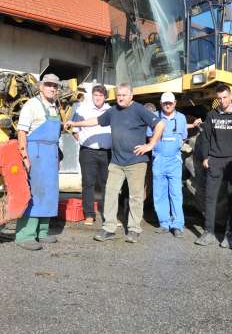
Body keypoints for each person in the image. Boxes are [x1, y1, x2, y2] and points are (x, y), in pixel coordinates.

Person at [66, 83, 165, 243]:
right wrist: (75, 124)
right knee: (110, 194)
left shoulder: (139, 109)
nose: (120, 97)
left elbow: (160, 124)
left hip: (136, 162)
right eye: (118, 95)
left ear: (131, 96)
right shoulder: (113, 111)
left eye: (124, 95)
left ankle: (134, 230)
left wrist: (150, 144)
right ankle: (109, 228)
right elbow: (95, 121)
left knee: (136, 197)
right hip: (117, 161)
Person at [196, 84, 232, 247]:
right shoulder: (212, 115)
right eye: (219, 98)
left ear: (231, 96)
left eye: (225, 97)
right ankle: (209, 232)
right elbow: (206, 138)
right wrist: (205, 157)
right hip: (215, 161)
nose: (222, 101)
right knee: (210, 197)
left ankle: (230, 235)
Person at [14, 74, 63, 251]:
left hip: (51, 154)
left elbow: (55, 136)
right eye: (48, 85)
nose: (52, 88)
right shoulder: (31, 105)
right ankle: (25, 235)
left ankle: (41, 232)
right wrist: (25, 157)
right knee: (34, 195)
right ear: (41, 87)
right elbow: (22, 133)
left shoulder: (54, 106)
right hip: (36, 153)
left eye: (55, 86)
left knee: (49, 193)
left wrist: (57, 156)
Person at [71, 84, 112, 225]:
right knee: (88, 183)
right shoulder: (83, 109)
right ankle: (89, 214)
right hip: (88, 151)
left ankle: (109, 216)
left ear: (105, 97)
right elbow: (74, 129)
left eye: (101, 95)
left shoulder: (111, 110)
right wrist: (82, 141)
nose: (98, 98)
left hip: (107, 152)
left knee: (108, 184)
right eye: (95, 95)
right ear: (92, 96)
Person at [149, 92, 189, 238]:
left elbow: (183, 137)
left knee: (176, 193)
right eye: (165, 103)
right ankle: (164, 223)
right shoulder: (154, 117)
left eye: (170, 103)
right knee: (159, 193)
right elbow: (149, 136)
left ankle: (177, 225)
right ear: (161, 103)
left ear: (175, 103)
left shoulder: (181, 118)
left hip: (174, 161)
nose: (167, 105)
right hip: (159, 160)